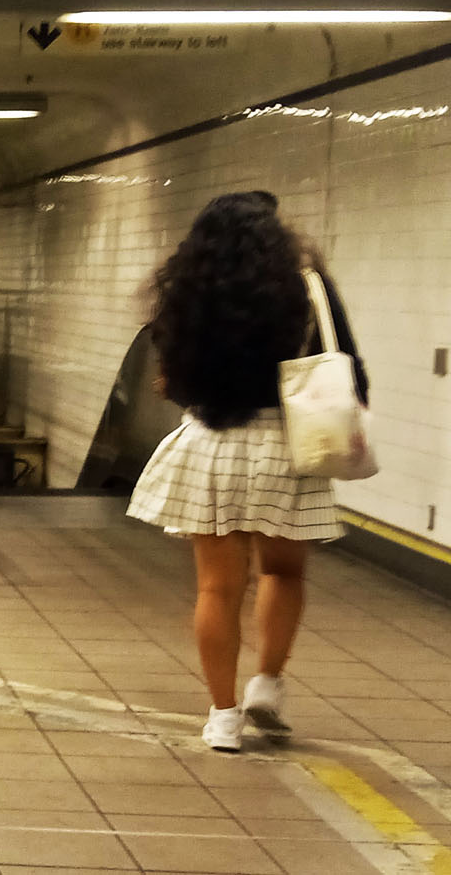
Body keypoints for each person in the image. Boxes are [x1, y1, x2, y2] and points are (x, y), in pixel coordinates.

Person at [127, 191, 369, 753]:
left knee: (217, 588)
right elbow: (347, 362)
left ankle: (223, 717)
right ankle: (267, 683)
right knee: (283, 573)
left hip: (211, 444)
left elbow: (173, 379)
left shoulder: (186, 290)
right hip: (288, 446)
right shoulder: (306, 286)